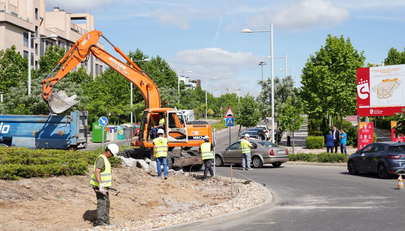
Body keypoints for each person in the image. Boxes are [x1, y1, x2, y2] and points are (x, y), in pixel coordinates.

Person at [90, 143, 120, 226]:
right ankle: (101, 222)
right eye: (112, 154)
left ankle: (105, 221)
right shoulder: (101, 159)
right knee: (102, 202)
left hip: (103, 186)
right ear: (108, 151)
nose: (112, 156)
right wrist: (100, 185)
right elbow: (97, 171)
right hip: (99, 186)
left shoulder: (105, 159)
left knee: (106, 202)